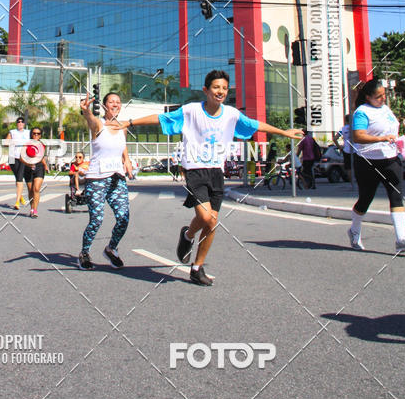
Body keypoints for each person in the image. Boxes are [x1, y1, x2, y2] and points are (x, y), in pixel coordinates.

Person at [118, 70, 303, 286]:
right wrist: (129, 122)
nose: (220, 91)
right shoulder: (191, 110)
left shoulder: (231, 114)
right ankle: (188, 235)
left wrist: (283, 132)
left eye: (224, 88)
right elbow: (162, 119)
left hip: (216, 171)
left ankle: (196, 266)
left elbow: (255, 125)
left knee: (211, 223)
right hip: (195, 170)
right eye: (216, 87)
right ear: (206, 90)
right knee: (206, 217)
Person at [347, 79, 405, 253]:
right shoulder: (362, 112)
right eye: (378, 96)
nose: (383, 98)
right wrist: (381, 139)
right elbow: (358, 136)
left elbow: (390, 131)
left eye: (384, 95)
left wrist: (401, 141)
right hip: (368, 161)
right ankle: (354, 230)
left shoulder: (385, 109)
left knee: (396, 196)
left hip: (391, 159)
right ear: (368, 97)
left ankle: (401, 239)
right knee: (366, 199)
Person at [78, 92, 133, 270]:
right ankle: (84, 252)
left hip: (117, 178)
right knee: (97, 219)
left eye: (118, 102)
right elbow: (91, 120)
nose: (115, 104)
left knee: (124, 218)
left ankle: (111, 249)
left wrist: (127, 160)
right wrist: (86, 111)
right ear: (104, 106)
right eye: (111, 102)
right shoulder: (98, 124)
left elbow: (122, 146)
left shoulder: (122, 126)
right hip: (97, 179)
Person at [23, 126, 48, 218]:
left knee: (36, 189)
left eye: (38, 133)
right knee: (30, 190)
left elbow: (41, 157)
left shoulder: (42, 145)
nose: (36, 135)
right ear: (31, 134)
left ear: (40, 135)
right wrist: (28, 164)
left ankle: (35, 210)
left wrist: (45, 165)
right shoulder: (26, 144)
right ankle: (32, 207)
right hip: (28, 167)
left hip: (39, 167)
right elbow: (22, 157)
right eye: (34, 133)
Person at [6, 117, 29, 209]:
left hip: (23, 157)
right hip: (12, 157)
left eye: (22, 122)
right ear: (16, 123)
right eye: (18, 122)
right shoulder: (12, 132)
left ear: (24, 124)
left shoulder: (28, 132)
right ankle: (21, 197)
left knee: (20, 178)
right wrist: (13, 142)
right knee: (17, 178)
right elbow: (6, 142)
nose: (20, 123)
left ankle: (17, 202)